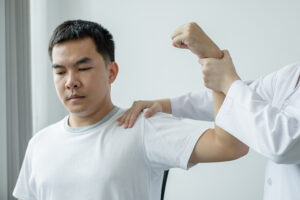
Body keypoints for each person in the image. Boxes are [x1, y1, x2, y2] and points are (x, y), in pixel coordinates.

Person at [13, 20, 248, 200]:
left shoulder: (142, 127)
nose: (70, 81)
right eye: (60, 72)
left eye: (83, 68)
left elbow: (230, 146)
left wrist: (212, 58)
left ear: (111, 72)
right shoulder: (39, 144)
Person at [119, 22, 300, 200]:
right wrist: (165, 105)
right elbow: (238, 98)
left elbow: (282, 145)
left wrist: (226, 75)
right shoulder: (292, 75)